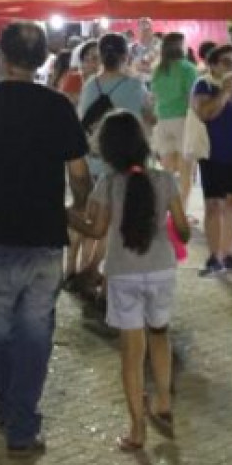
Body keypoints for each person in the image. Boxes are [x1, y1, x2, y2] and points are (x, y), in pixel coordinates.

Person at [0, 20, 93, 457]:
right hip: (45, 233)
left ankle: (4, 404)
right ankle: (22, 424)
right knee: (35, 330)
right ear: (43, 60)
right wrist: (77, 208)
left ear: (0, 57)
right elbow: (80, 173)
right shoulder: (57, 106)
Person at [73, 112, 190, 452]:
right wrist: (173, 230)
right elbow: (182, 230)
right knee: (160, 335)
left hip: (123, 272)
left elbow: (95, 230)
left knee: (131, 353)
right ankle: (164, 400)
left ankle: (137, 429)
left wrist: (66, 214)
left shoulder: (107, 185)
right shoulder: (165, 180)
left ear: (106, 151)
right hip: (161, 270)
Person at [74, 33, 154, 296]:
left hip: (93, 161)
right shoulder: (135, 86)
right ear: (125, 56)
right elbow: (148, 120)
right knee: (116, 224)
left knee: (96, 219)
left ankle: (87, 269)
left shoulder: (90, 85)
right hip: (123, 165)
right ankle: (98, 276)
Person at [192, 42, 232, 274]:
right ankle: (214, 255)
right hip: (213, 152)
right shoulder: (204, 85)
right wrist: (225, 93)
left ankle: (228, 253)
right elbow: (205, 114)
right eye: (226, 62)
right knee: (213, 204)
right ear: (212, 65)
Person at [149, 32, 200, 205]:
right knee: (186, 171)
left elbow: (154, 96)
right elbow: (192, 98)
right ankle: (182, 210)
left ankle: (165, 207)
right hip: (183, 120)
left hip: (162, 121)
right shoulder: (188, 68)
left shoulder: (157, 69)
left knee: (167, 170)